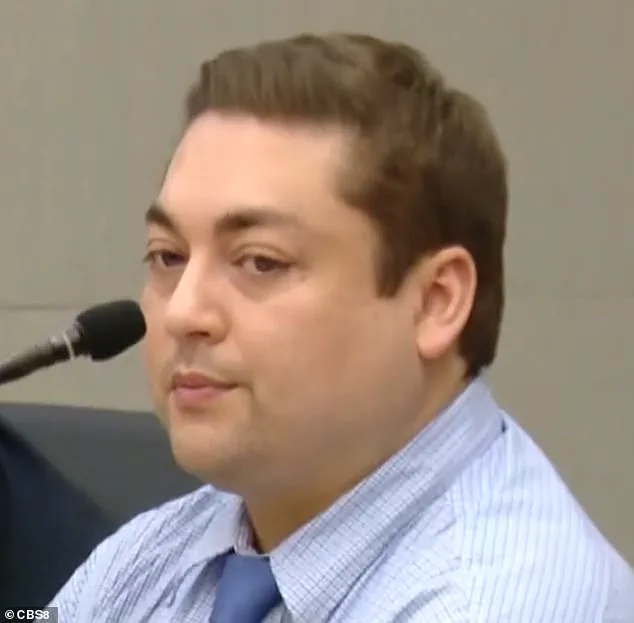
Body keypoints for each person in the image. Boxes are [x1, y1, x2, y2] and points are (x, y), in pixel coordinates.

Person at [50, 33, 634, 622]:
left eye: (261, 262)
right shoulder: (158, 553)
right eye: (168, 256)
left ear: (435, 302)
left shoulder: (489, 603)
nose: (182, 312)